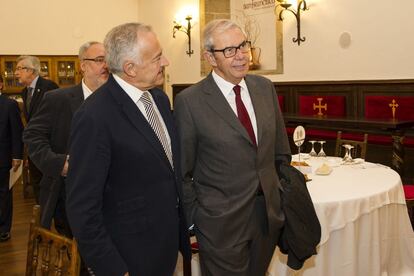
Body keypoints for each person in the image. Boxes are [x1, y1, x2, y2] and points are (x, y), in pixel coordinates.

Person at [66, 23, 191, 276]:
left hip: (166, 247)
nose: (165, 62)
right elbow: (82, 207)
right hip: (127, 257)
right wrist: (112, 268)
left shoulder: (159, 99)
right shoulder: (94, 115)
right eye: (157, 58)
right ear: (130, 68)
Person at [174, 19, 292, 276]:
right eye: (229, 50)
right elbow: (182, 171)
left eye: (243, 46)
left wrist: (278, 198)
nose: (240, 56)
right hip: (220, 225)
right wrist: (198, 220)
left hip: (266, 219)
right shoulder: (190, 102)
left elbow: (280, 152)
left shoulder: (264, 88)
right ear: (210, 58)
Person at [23, 42, 109, 237]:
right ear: (83, 65)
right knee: (77, 260)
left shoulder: (119, 102)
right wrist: (58, 164)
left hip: (111, 198)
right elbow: (32, 135)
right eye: (99, 60)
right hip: (68, 195)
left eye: (108, 60)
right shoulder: (57, 99)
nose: (105, 65)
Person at [15, 55, 59, 203]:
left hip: (50, 147)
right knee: (38, 185)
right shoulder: (25, 91)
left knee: (51, 186)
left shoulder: (49, 87)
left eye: (20, 69)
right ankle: (41, 217)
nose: (16, 73)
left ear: (31, 70)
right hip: (35, 148)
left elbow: (57, 118)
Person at [0, 76, 24, 242]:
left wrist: (17, 156)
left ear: (1, 84)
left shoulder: (9, 105)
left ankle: (3, 228)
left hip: (3, 157)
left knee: (3, 194)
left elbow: (17, 132)